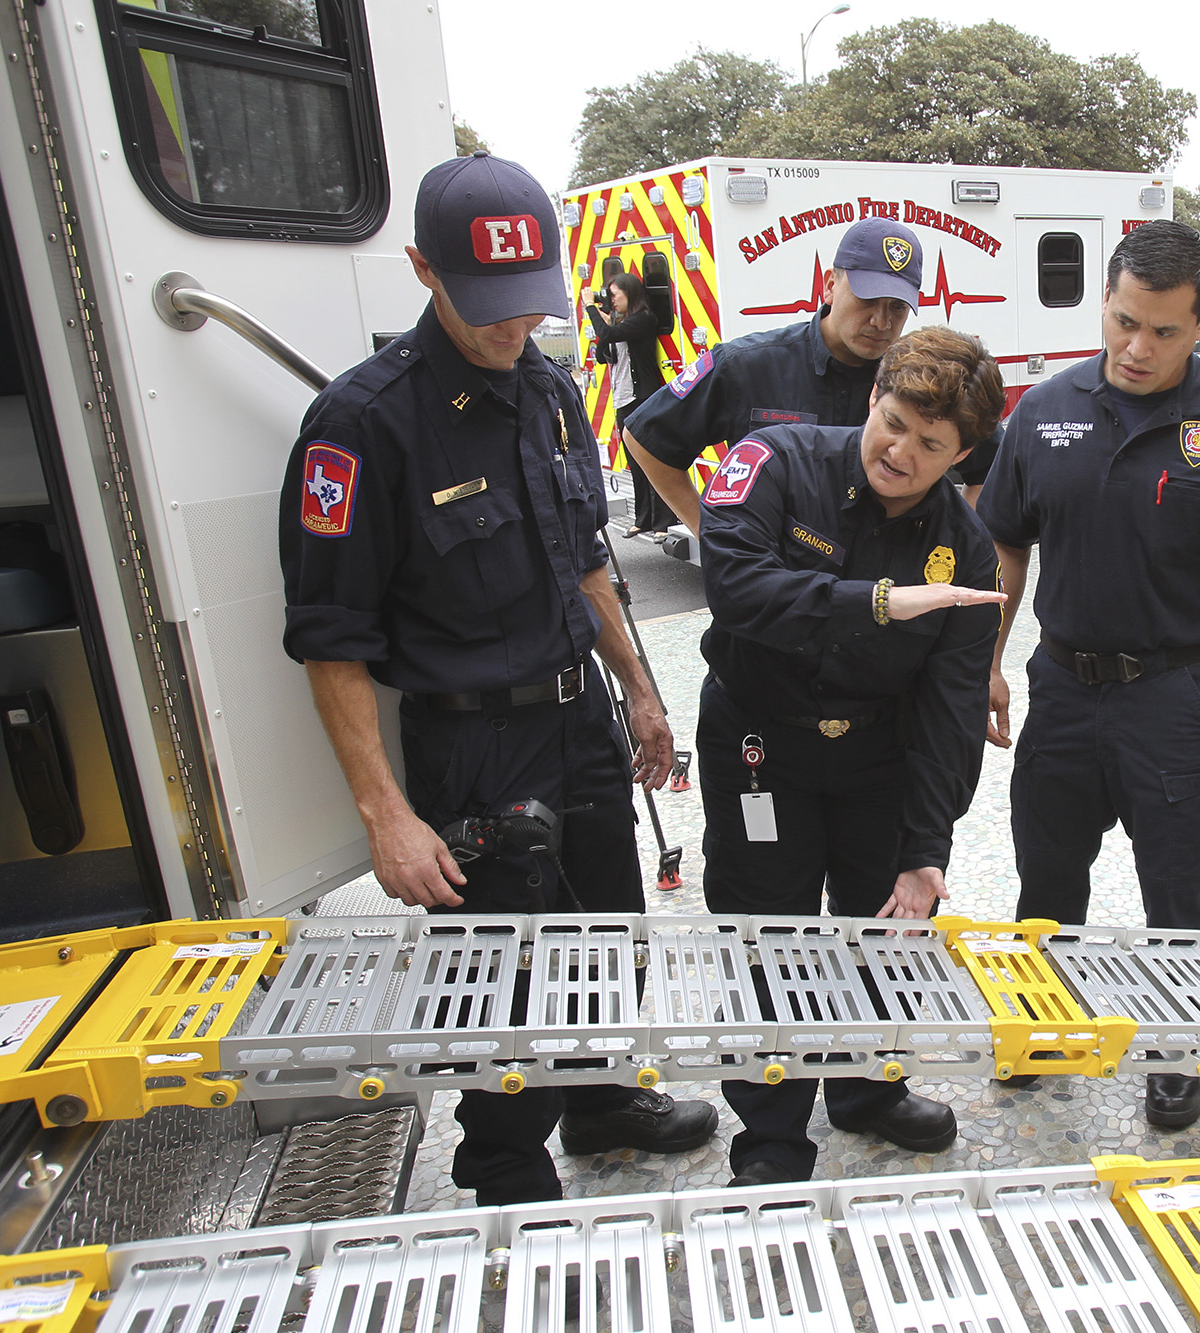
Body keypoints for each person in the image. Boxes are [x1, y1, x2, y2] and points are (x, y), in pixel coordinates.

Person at [279, 152, 717, 1205]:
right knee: (501, 973)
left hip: (580, 722)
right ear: (424, 269)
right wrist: (384, 813)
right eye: (487, 308)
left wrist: (643, 694)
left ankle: (605, 1097)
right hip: (472, 746)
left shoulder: (552, 389)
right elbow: (329, 639)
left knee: (608, 930)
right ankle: (507, 1168)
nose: (510, 329)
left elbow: (584, 563)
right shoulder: (361, 423)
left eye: (527, 307)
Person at [979, 220, 1200, 1127]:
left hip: (1182, 695)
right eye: (1123, 321)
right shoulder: (1043, 412)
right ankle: (1040, 1027)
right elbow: (1006, 541)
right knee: (1046, 878)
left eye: (1164, 330)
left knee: (1181, 892)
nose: (1136, 346)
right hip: (1066, 691)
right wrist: (989, 659)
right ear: (1106, 304)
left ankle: (1175, 1052)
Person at [693, 327, 1006, 1185]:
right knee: (771, 944)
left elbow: (950, 709)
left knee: (887, 935)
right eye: (893, 421)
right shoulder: (775, 461)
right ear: (873, 398)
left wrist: (926, 849)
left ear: (963, 453)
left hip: (878, 755)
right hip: (762, 746)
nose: (900, 451)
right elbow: (734, 586)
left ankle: (868, 1090)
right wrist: (877, 602)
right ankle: (770, 1139)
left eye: (931, 443)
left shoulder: (965, 550)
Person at [622, 219, 997, 536]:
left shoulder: (919, 380)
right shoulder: (749, 365)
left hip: (883, 595)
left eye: (897, 307)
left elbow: (989, 467)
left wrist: (946, 548)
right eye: (867, 300)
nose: (881, 322)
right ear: (830, 284)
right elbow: (646, 439)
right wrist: (714, 535)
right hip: (777, 589)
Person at [585, 270, 672, 535]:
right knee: (635, 461)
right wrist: (607, 323)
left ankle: (663, 522)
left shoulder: (643, 319)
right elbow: (603, 354)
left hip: (642, 398)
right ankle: (643, 519)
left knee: (652, 460)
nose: (610, 300)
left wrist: (591, 308)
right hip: (623, 398)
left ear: (629, 293)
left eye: (614, 295)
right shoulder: (620, 324)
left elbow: (610, 336)